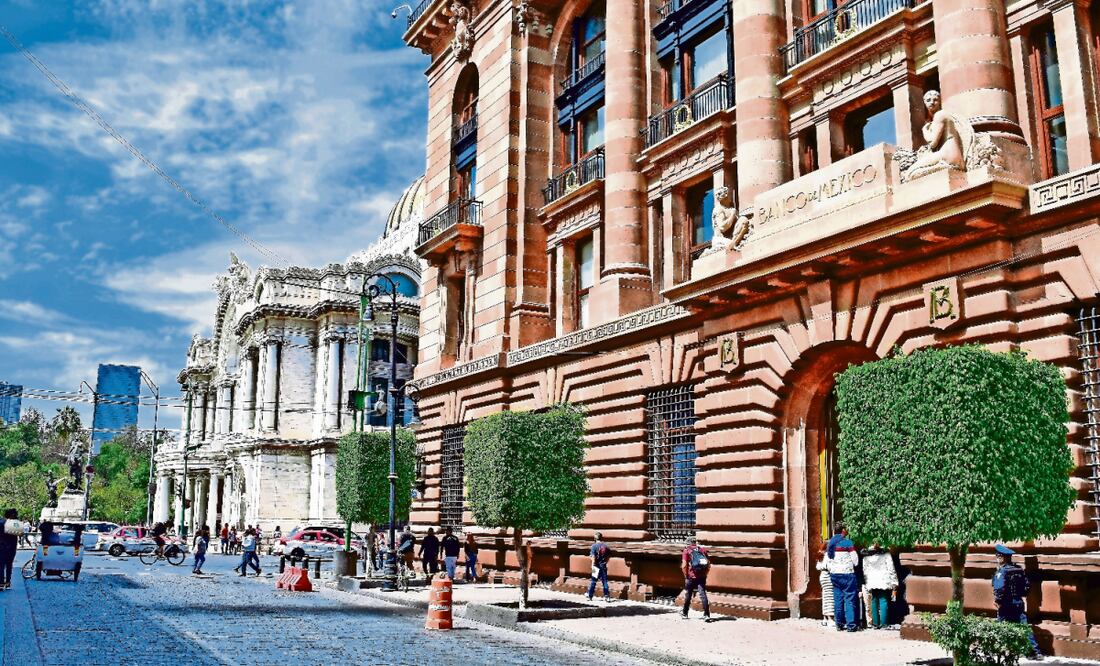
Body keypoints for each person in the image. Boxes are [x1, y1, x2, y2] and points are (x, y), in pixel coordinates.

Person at [992, 544, 1043, 660]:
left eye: (997, 556)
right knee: (1024, 628)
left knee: (1001, 627)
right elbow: (1026, 586)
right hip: (1018, 603)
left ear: (1002, 557)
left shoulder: (1002, 571)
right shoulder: (1019, 569)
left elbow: (999, 587)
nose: (997, 559)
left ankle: (1001, 651)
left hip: (1005, 604)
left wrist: (998, 600)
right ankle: (1035, 652)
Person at [826, 522, 860, 632]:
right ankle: (851, 625)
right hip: (847, 574)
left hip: (835, 575)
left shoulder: (830, 543)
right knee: (849, 599)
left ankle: (839, 624)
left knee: (838, 599)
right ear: (843, 530)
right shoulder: (847, 542)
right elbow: (855, 561)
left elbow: (828, 562)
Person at [861, 543, 898, 629]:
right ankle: (884, 623)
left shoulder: (866, 555)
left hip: (871, 580)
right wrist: (894, 582)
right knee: (883, 600)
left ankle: (875, 623)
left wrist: (867, 581)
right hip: (883, 580)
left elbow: (865, 569)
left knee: (874, 600)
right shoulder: (886, 554)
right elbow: (891, 569)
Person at [681, 536, 713, 622]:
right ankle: (706, 614)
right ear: (695, 542)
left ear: (688, 543)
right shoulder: (702, 550)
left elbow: (684, 565)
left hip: (691, 576)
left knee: (688, 594)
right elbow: (709, 565)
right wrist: (705, 574)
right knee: (703, 594)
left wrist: (686, 575)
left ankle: (684, 613)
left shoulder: (686, 550)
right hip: (701, 576)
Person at [0, 509, 22, 591]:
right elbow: (20, 534)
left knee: (1, 565)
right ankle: (8, 582)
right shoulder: (15, 523)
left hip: (2, 546)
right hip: (12, 547)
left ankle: (1, 583)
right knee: (9, 565)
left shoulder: (1, 522)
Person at [587, 532, 611, 602]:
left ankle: (590, 595)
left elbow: (593, 557)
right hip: (603, 566)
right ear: (601, 538)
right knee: (604, 581)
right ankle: (607, 596)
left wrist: (592, 565)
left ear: (595, 538)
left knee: (593, 581)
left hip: (596, 566)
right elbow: (608, 556)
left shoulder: (594, 546)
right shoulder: (605, 546)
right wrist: (605, 562)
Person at [816, 545, 835, 627]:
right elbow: (830, 567)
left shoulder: (820, 554)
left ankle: (825, 618)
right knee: (830, 597)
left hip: (822, 576)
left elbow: (817, 567)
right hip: (828, 576)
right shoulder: (829, 555)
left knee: (825, 596)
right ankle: (831, 619)